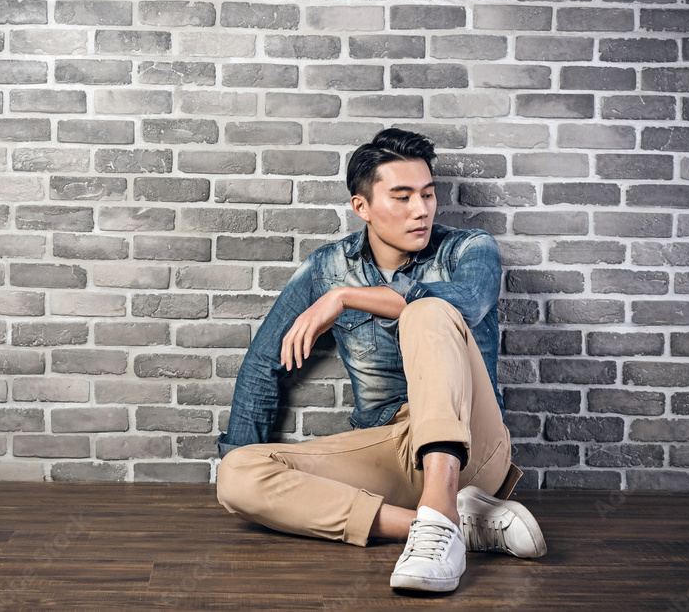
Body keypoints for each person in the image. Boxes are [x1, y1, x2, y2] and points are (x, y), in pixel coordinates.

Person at [215, 128, 546, 593]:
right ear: (362, 206)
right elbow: (262, 366)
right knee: (236, 474)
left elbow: (468, 303)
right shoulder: (328, 268)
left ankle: (441, 508)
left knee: (427, 311)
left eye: (428, 194)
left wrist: (345, 298)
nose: (421, 209)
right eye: (403, 197)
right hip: (392, 449)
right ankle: (443, 523)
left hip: (474, 446)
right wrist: (244, 454)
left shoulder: (469, 249)